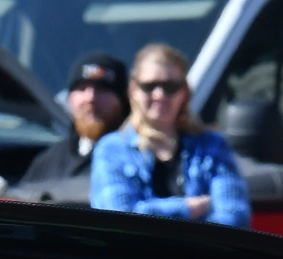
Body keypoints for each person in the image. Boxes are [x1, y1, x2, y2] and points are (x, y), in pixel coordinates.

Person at [90, 43, 248, 228]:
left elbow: (234, 217)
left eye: (170, 86)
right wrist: (185, 208)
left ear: (184, 93)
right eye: (149, 86)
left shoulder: (213, 146)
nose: (159, 95)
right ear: (133, 91)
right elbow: (118, 218)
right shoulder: (111, 149)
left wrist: (148, 213)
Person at [23, 51, 126, 182]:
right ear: (70, 98)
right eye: (82, 89)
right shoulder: (47, 163)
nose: (90, 98)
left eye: (102, 90)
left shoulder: (139, 161)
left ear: (122, 101)